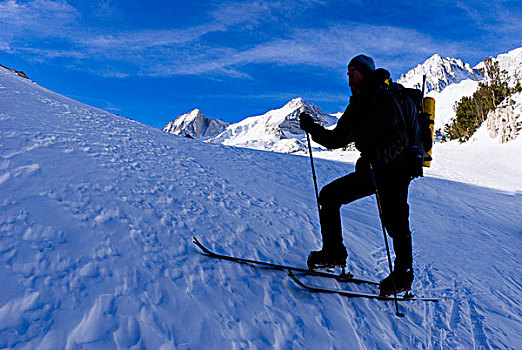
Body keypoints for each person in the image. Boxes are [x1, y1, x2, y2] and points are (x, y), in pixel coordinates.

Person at [299, 54, 415, 296]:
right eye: (348, 72)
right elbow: (336, 139)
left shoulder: (384, 99)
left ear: (366, 73)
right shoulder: (357, 105)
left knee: (394, 219)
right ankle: (333, 254)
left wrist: (378, 158)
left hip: (396, 168)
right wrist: (312, 128)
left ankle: (403, 274)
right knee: (330, 196)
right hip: (372, 168)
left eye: (354, 71)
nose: (349, 76)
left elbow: (400, 138)